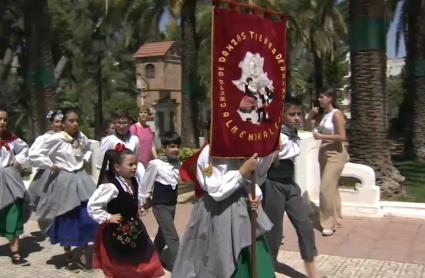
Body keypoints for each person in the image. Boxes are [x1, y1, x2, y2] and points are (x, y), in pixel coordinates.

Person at [171, 144, 276, 278]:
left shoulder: (241, 147)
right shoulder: (209, 152)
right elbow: (215, 189)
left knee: (257, 262)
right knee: (218, 259)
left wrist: (254, 193)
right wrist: (242, 171)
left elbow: (252, 178)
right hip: (218, 213)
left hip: (245, 211)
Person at [29, 108, 98, 269]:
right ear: (64, 123)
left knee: (87, 214)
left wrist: (85, 159)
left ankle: (81, 247)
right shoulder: (57, 139)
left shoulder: (81, 136)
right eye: (71, 121)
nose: (75, 124)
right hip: (64, 180)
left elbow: (88, 148)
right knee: (67, 216)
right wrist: (50, 165)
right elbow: (34, 154)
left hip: (81, 179)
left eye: (76, 120)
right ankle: (67, 251)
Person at [261, 97, 321, 277]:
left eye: (299, 114)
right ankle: (268, 265)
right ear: (282, 116)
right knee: (274, 230)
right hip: (273, 185)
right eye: (292, 114)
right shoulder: (277, 136)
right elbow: (263, 164)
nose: (296, 118)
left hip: (291, 186)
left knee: (305, 225)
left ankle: (312, 269)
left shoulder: (293, 134)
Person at [87, 147, 164, 278]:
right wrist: (108, 217)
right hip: (117, 230)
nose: (134, 167)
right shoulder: (111, 186)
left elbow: (132, 199)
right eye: (130, 164)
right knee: (122, 261)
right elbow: (92, 206)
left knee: (139, 255)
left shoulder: (133, 181)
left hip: (134, 227)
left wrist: (140, 207)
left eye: (136, 164)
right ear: (117, 167)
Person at [307, 89, 349, 236]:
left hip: (335, 153)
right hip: (324, 152)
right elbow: (308, 126)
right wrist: (311, 114)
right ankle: (337, 219)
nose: (319, 99)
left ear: (330, 98)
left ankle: (327, 224)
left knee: (325, 188)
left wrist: (321, 136)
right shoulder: (324, 115)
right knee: (332, 187)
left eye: (322, 96)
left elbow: (342, 136)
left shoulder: (336, 114)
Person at [140, 131, 182, 270]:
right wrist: (143, 201)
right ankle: (179, 267)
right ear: (164, 148)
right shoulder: (156, 164)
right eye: (171, 146)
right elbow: (145, 184)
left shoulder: (179, 164)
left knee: (163, 234)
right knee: (172, 236)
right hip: (160, 205)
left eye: (177, 146)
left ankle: (152, 256)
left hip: (172, 205)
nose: (175, 149)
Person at [0, 109, 30, 265]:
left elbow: (25, 149)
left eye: (4, 119)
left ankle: (15, 251)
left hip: (10, 178)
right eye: (0, 119)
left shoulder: (11, 139)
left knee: (14, 210)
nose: (2, 122)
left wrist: (17, 160)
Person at [28, 110, 64, 209]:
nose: (59, 124)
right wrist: (50, 164)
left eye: (61, 122)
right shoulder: (45, 138)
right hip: (50, 173)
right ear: (51, 123)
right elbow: (33, 154)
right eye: (57, 122)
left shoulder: (67, 137)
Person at [98, 110, 145, 184]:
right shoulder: (109, 140)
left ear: (129, 123)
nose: (121, 126)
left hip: (130, 179)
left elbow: (136, 160)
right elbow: (101, 163)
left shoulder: (135, 140)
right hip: (113, 179)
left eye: (124, 123)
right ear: (114, 123)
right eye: (119, 123)